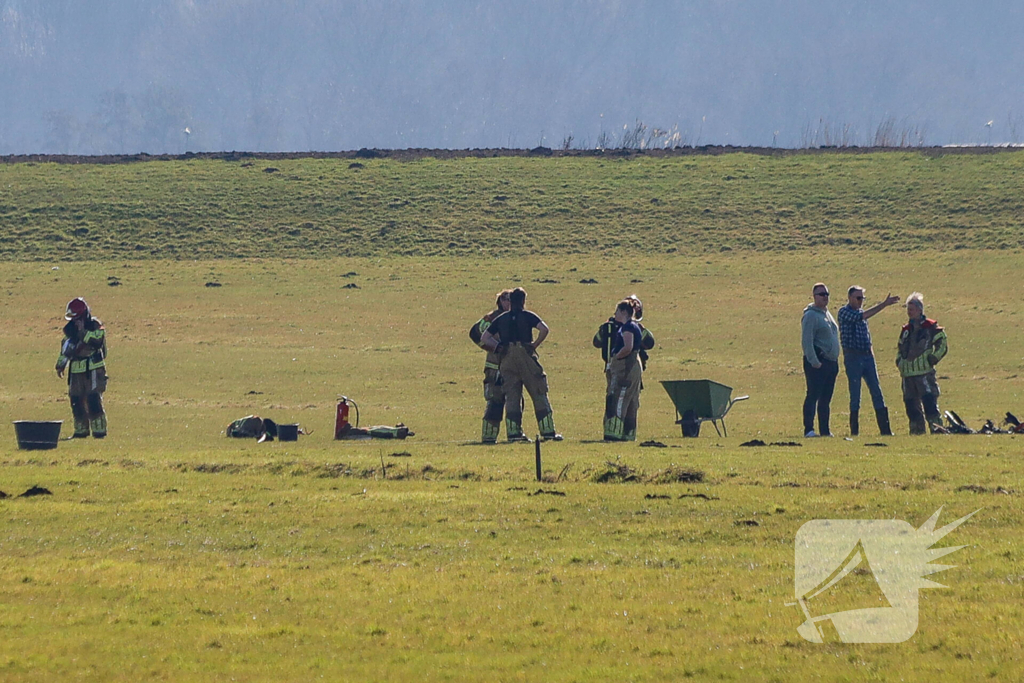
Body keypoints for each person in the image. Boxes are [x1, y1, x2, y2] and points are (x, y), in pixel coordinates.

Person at [480, 287, 562, 442]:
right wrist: (535, 344)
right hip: (525, 353)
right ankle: (548, 432)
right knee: (538, 391)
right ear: (523, 301)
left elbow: (485, 337)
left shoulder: (501, 318)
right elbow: (544, 329)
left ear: (510, 301)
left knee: (512, 396)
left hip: (507, 358)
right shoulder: (528, 315)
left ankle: (514, 434)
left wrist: (498, 347)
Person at [837, 286, 901, 436]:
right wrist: (883, 304)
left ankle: (885, 430)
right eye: (858, 298)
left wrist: (871, 353)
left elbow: (866, 334)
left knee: (877, 391)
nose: (860, 302)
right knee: (855, 394)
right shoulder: (844, 312)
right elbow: (862, 317)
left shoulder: (861, 313)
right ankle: (855, 431)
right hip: (853, 357)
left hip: (867, 356)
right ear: (850, 298)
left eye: (862, 299)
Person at [594, 295, 655, 440]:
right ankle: (628, 435)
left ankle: (613, 434)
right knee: (632, 400)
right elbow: (650, 342)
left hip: (623, 367)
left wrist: (616, 356)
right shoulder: (637, 327)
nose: (615, 314)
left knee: (617, 398)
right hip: (632, 368)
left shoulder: (624, 327)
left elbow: (598, 342)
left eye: (617, 311)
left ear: (623, 312)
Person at [55, 297, 108, 438]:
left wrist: (82, 331)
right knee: (76, 401)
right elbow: (66, 349)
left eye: (76, 318)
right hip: (76, 371)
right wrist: (60, 365)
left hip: (94, 370)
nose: (74, 321)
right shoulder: (69, 330)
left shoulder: (95, 326)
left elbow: (96, 341)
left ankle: (99, 431)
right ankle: (80, 431)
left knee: (93, 400)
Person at [896, 292, 948, 435]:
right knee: (911, 405)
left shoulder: (930, 326)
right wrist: (899, 361)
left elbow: (942, 342)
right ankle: (916, 432)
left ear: (920, 310)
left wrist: (933, 358)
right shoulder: (906, 329)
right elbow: (900, 347)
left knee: (929, 402)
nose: (909, 312)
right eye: (908, 309)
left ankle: (937, 429)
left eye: (911, 309)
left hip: (924, 373)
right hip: (907, 374)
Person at [469, 289, 511, 443]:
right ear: (499, 301)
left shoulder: (518, 316)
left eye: (510, 299)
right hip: (494, 367)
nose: (508, 302)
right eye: (505, 299)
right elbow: (475, 333)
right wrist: (491, 347)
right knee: (494, 402)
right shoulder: (492, 317)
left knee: (515, 402)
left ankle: (516, 435)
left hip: (513, 366)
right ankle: (488, 437)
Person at [801, 283, 840, 437]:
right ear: (814, 296)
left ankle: (825, 430)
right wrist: (814, 361)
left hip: (831, 362)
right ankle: (809, 429)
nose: (825, 297)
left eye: (826, 294)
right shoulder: (811, 315)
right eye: (821, 294)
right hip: (818, 362)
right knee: (813, 395)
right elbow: (807, 341)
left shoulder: (826, 313)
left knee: (825, 398)